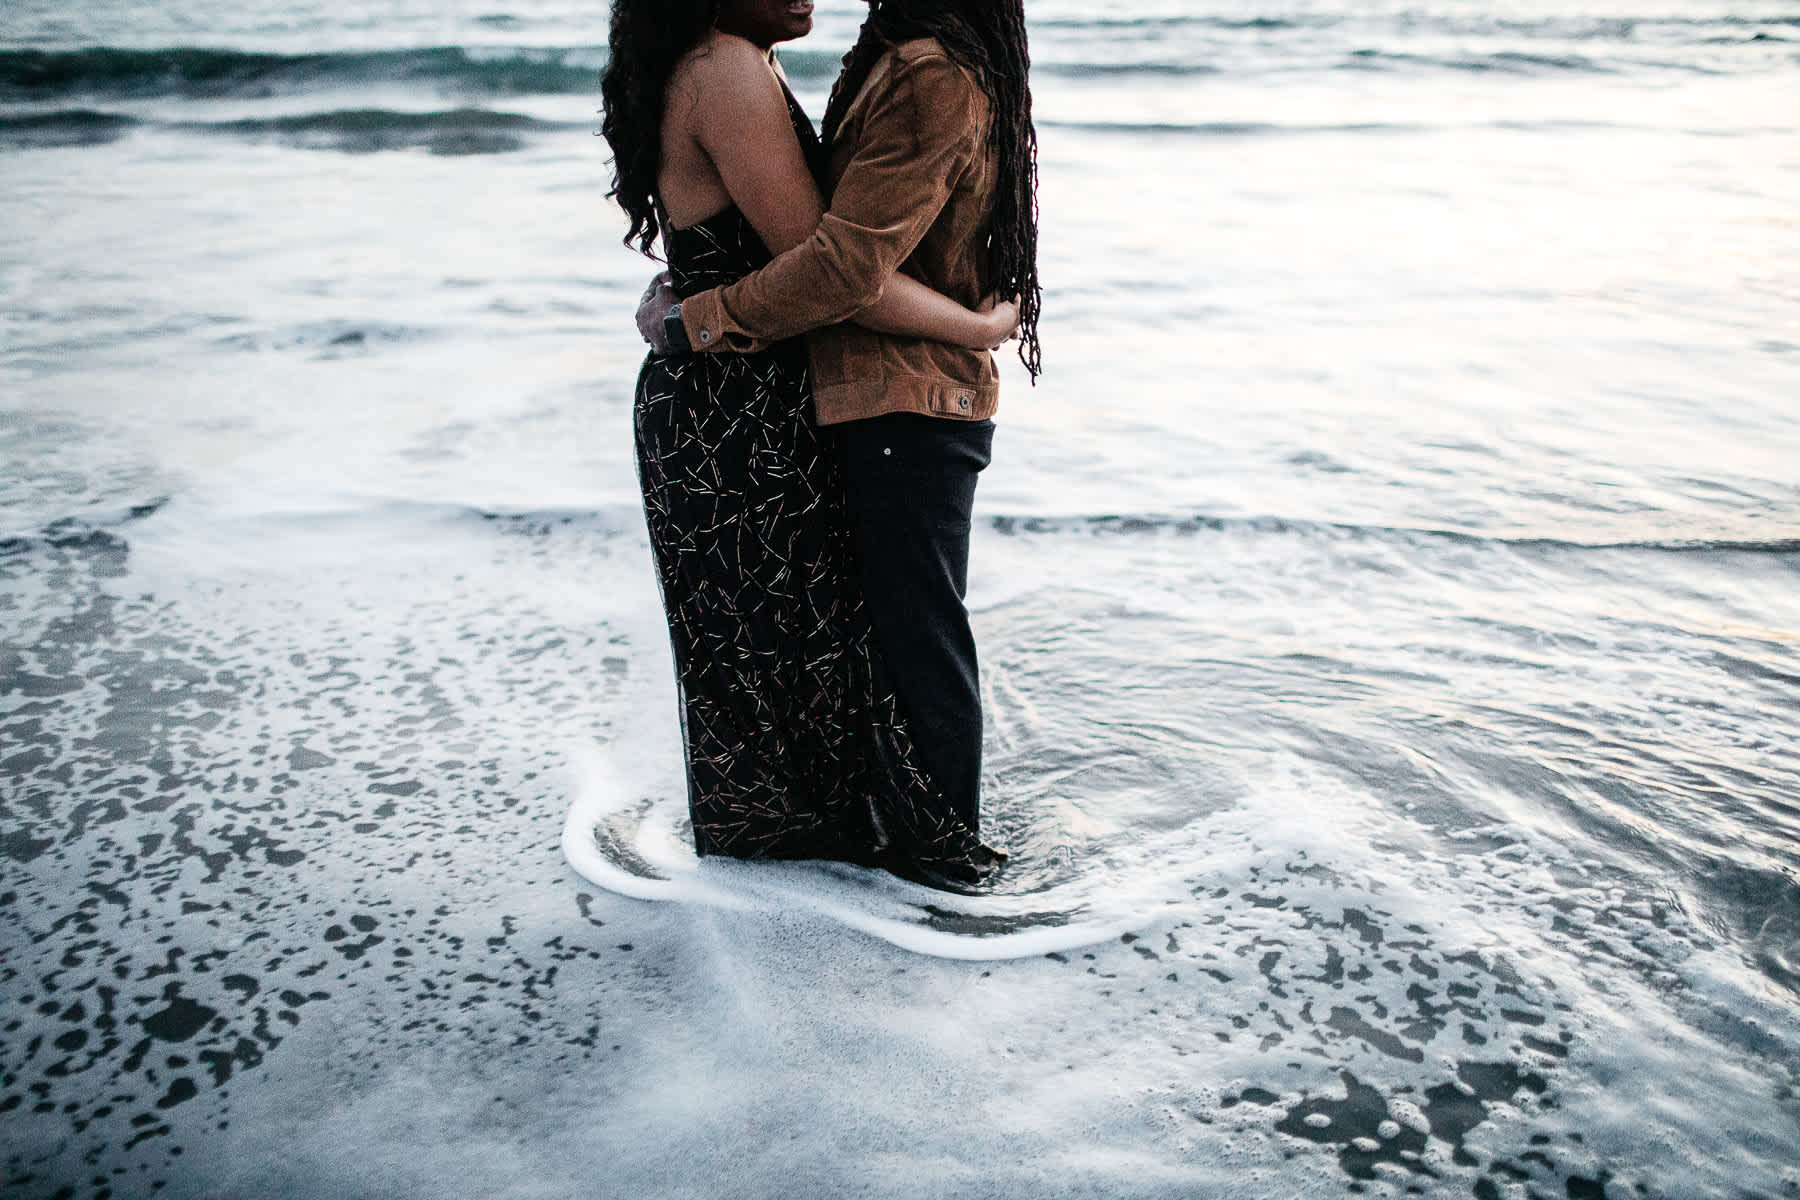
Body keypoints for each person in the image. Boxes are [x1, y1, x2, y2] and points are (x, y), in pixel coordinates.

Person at [601, 0, 1019, 888]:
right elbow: (835, 272)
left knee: (775, 656)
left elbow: (752, 251)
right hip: (734, 403)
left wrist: (685, 310)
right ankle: (816, 899)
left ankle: (801, 888)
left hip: (739, 390)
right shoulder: (727, 68)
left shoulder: (727, 58)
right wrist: (973, 329)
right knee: (767, 661)